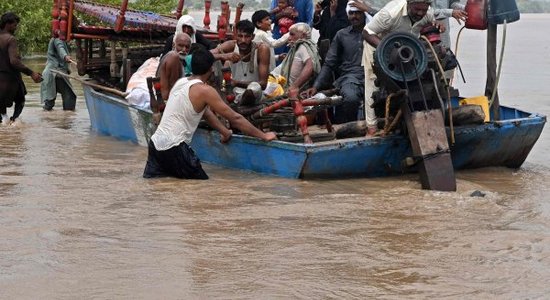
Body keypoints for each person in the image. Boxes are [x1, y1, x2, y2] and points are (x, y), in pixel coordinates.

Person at [143, 48, 277, 179]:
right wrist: (263, 136)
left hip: (155, 146)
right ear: (211, 69)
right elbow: (235, 118)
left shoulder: (181, 82)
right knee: (202, 193)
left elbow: (205, 113)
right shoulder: (205, 90)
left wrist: (225, 132)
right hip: (175, 148)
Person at [361, 0, 443, 135]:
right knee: (373, 84)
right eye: (417, 10)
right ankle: (372, 128)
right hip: (377, 47)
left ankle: (410, 121)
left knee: (412, 82)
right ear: (408, 4)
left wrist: (437, 25)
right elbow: (366, 32)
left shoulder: (427, 13)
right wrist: (386, 48)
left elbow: (429, 26)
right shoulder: (390, 14)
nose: (420, 13)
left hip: (406, 51)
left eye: (423, 10)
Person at [305, 2, 369, 124]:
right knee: (351, 98)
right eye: (351, 13)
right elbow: (329, 63)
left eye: (358, 13)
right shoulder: (342, 34)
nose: (354, 16)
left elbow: (385, 20)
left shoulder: (375, 32)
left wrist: (369, 9)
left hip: (373, 76)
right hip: (350, 78)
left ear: (365, 14)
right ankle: (352, 126)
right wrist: (316, 86)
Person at [0, 12, 42, 125]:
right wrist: (31, 73)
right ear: (7, 24)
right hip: (11, 79)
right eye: (14, 24)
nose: (16, 27)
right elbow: (14, 61)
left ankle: (5, 124)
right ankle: (14, 120)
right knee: (20, 100)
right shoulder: (10, 39)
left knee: (1, 111)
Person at [213, 20, 271, 96]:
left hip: (254, 94)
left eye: (247, 36)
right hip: (233, 93)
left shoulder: (262, 49)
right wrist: (224, 56)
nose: (243, 40)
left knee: (253, 90)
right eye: (240, 36)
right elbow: (205, 55)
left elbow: (263, 84)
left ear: (252, 37)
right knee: (214, 60)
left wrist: (236, 83)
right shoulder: (231, 45)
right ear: (235, 36)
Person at [271, 23, 321, 91]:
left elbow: (310, 66)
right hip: (280, 84)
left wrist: (295, 86)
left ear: (303, 35)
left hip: (290, 89)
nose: (289, 38)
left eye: (292, 34)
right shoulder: (297, 46)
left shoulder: (304, 46)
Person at [41, 36, 77, 111]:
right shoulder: (58, 39)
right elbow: (60, 48)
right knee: (70, 97)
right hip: (56, 73)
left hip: (49, 74)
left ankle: (46, 120)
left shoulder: (57, 38)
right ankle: (68, 118)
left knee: (49, 104)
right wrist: (65, 56)